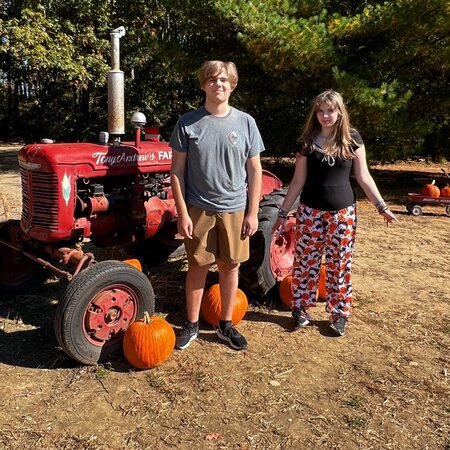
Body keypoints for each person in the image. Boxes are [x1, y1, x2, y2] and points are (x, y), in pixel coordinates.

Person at [273, 90, 397, 336]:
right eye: (321, 111)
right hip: (309, 212)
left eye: (330, 110)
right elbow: (297, 181)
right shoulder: (308, 142)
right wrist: (283, 212)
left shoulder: (352, 140)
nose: (326, 115)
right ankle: (300, 308)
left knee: (339, 263)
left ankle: (339, 313)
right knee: (305, 263)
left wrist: (382, 206)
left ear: (340, 112)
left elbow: (363, 177)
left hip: (342, 214)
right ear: (315, 113)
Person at [169, 60, 264, 351]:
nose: (218, 85)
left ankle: (226, 325)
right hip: (199, 208)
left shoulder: (245, 122)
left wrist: (253, 211)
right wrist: (183, 213)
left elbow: (255, 170)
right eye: (212, 80)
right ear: (203, 85)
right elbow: (176, 172)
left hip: (235, 209)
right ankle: (192, 324)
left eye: (223, 80)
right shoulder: (188, 122)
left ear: (232, 85)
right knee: (198, 266)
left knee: (230, 266)